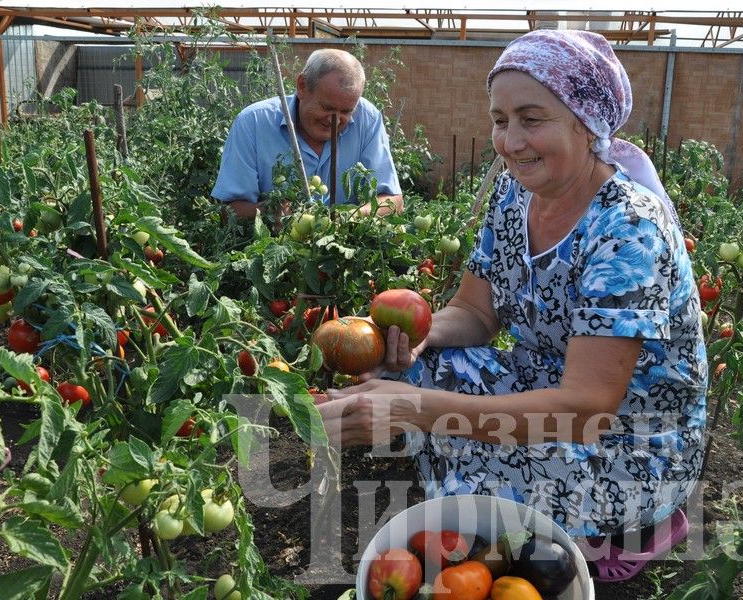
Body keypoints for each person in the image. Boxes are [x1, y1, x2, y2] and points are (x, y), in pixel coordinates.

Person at [318, 30, 706, 582]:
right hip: (544, 382)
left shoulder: (628, 230)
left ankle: (640, 525)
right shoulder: (512, 196)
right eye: (501, 120)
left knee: (478, 513)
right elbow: (475, 313)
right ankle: (535, 511)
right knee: (422, 374)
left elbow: (588, 407)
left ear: (585, 121)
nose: (511, 142)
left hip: (630, 434)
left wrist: (411, 408)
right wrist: (417, 342)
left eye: (532, 118)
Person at [211, 48, 403, 219]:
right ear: (302, 86)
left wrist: (346, 219)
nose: (334, 120)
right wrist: (269, 212)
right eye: (327, 107)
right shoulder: (253, 122)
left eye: (346, 112)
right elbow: (227, 210)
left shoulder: (367, 119)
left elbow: (393, 201)